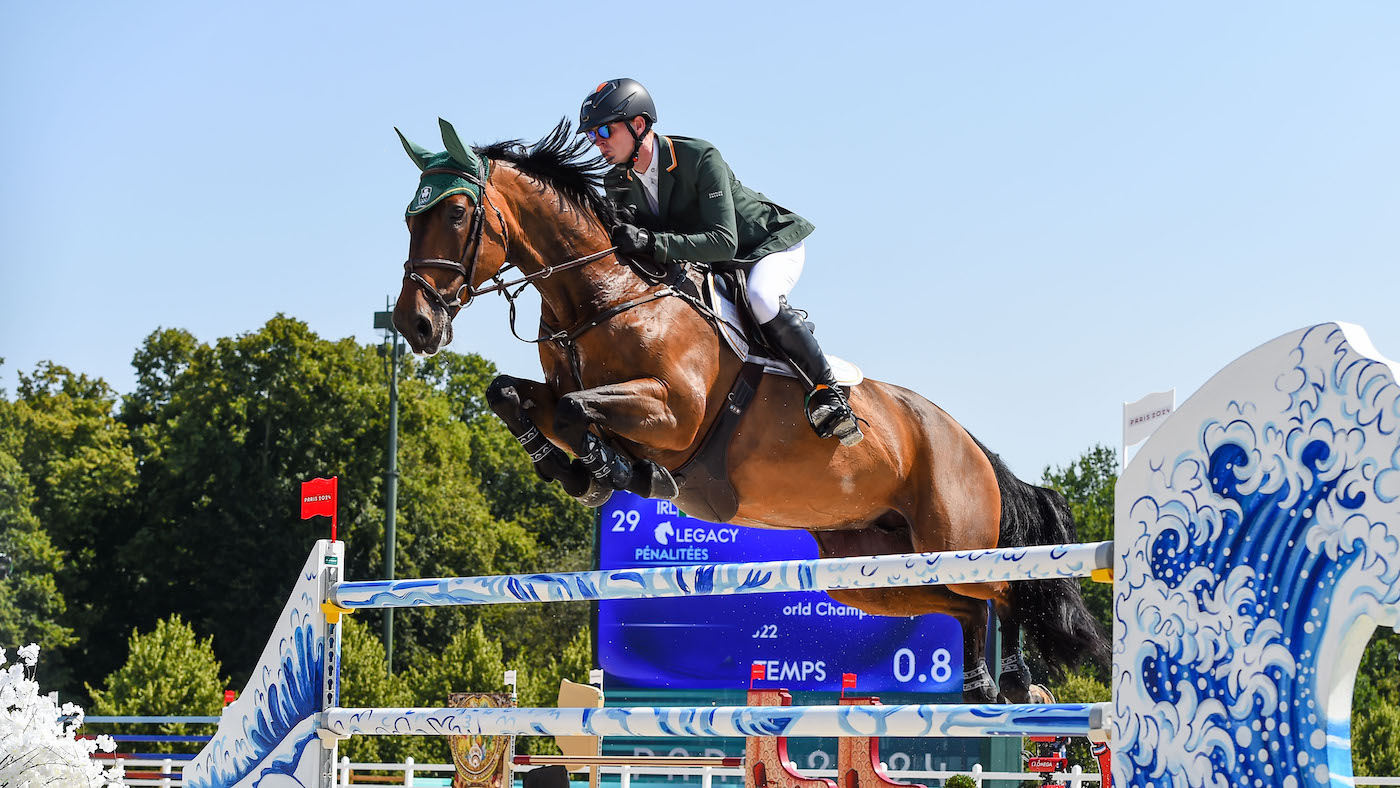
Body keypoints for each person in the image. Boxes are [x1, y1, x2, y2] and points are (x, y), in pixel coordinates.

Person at [578, 78, 863, 446]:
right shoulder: (617, 181)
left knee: (761, 297)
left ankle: (827, 393)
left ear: (638, 124)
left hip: (765, 245)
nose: (598, 142)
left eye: (605, 130)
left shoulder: (698, 157)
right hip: (714, 263)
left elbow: (723, 242)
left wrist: (651, 241)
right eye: (592, 135)